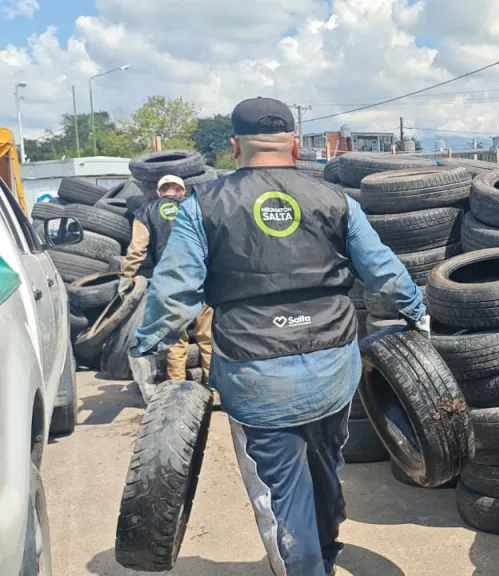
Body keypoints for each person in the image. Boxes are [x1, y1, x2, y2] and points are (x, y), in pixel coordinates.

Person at [129, 97, 428, 576]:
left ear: (234, 147)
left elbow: (174, 291)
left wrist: (146, 345)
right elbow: (382, 270)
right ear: (293, 143)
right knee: (325, 472)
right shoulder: (335, 200)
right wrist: (415, 312)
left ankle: (309, 565)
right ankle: (324, 556)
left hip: (257, 379)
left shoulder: (202, 206)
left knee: (282, 496)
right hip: (333, 369)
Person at [120, 175, 213, 381]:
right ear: (182, 191)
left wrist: (127, 274)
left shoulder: (146, 211)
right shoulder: (197, 208)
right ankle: (215, 389)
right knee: (207, 338)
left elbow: (137, 249)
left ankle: (177, 389)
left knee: (175, 340)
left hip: (169, 283)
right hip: (202, 277)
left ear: (159, 192)